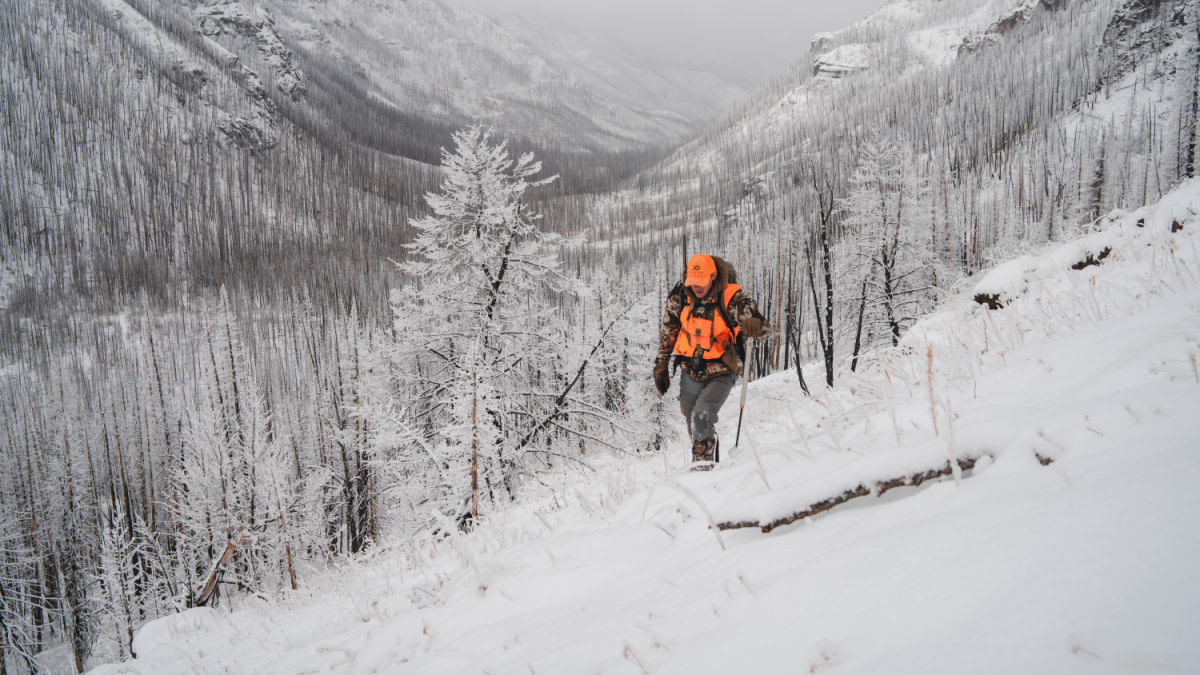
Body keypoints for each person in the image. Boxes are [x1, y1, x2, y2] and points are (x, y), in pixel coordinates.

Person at [653, 253, 767, 469]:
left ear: (713, 276)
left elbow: (763, 327)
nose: (696, 287)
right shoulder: (680, 296)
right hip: (690, 369)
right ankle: (707, 450)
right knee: (691, 421)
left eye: (701, 282)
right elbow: (669, 330)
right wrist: (661, 363)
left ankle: (702, 471)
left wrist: (755, 326)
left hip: (722, 368)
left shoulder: (731, 298)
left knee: (701, 416)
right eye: (692, 282)